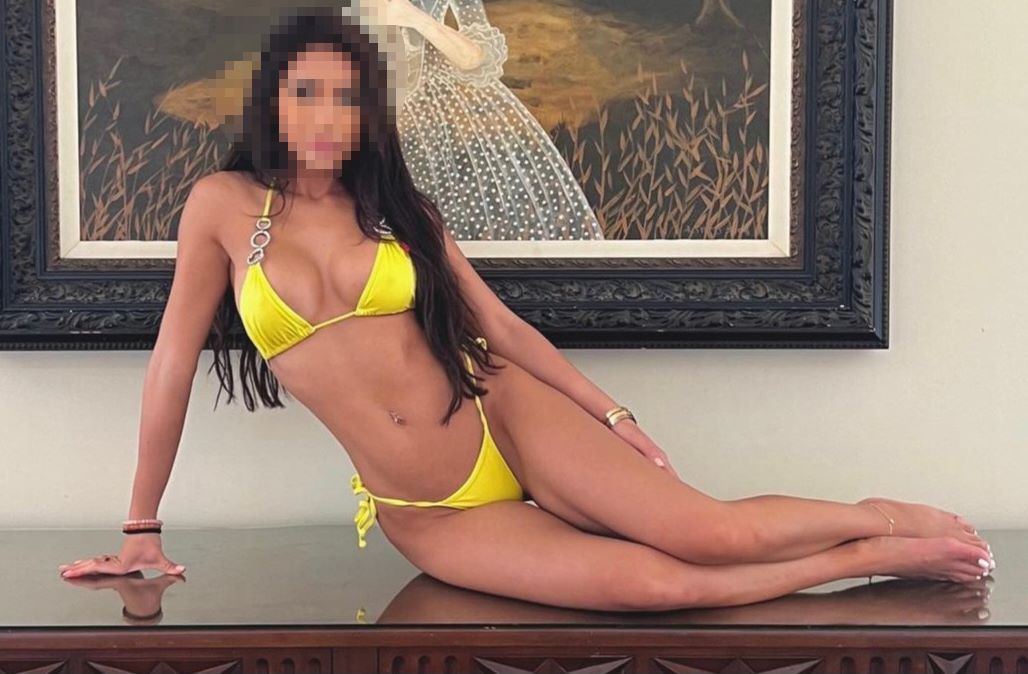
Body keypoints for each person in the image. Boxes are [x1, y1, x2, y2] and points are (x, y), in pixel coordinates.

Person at [58, 8, 995, 612]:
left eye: (349, 98)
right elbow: (171, 363)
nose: (328, 117)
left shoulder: (401, 211)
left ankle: (874, 516)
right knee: (655, 588)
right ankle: (859, 559)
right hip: (429, 511)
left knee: (710, 533)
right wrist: (141, 528)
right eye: (308, 93)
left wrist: (613, 416)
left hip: (498, 408)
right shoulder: (221, 207)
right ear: (273, 98)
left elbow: (502, 329)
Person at [380, 0, 605, 241]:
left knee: (448, 222)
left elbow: (474, 57)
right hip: (373, 112)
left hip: (434, 114)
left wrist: (415, 17)